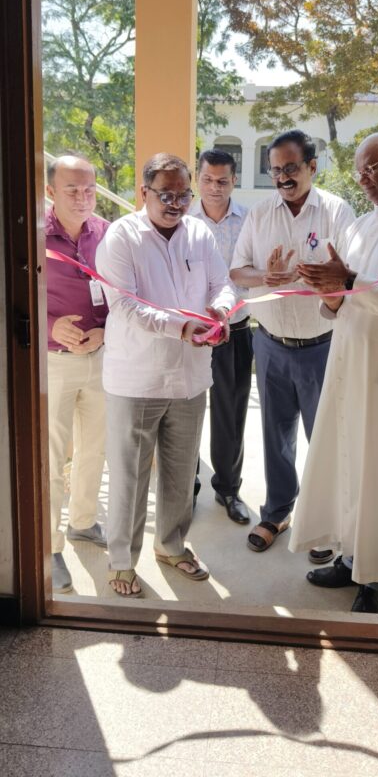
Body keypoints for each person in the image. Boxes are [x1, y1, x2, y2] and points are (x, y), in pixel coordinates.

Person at [289, 133, 378, 613]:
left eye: (371, 168)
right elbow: (345, 301)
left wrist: (348, 280)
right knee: (348, 464)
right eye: (358, 172)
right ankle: (350, 559)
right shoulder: (361, 226)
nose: (363, 179)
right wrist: (330, 295)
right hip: (348, 360)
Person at [96, 152, 235, 596]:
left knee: (180, 471)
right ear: (144, 193)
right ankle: (121, 560)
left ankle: (171, 545)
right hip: (137, 379)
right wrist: (182, 328)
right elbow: (125, 305)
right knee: (130, 476)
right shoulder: (121, 237)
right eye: (165, 195)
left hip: (190, 378)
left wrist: (221, 310)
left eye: (183, 195)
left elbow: (223, 283)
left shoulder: (199, 233)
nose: (176, 204)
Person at [230, 129, 354, 554]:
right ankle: (277, 512)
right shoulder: (260, 214)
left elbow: (352, 274)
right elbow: (238, 272)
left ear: (312, 167)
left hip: (323, 346)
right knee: (275, 436)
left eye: (291, 168)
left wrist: (332, 279)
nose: (282, 177)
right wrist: (266, 276)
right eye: (275, 170)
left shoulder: (337, 212)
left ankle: (325, 526)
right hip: (270, 345)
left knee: (326, 441)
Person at [46, 154, 109, 593]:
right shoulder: (32, 234)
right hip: (53, 361)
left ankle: (83, 522)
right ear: (51, 191)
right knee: (51, 457)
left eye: (89, 189)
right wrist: (50, 325)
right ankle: (48, 546)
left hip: (101, 357)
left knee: (95, 448)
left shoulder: (106, 232)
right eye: (72, 189)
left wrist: (105, 330)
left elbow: (123, 293)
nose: (83, 198)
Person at [189, 149, 253, 524]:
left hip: (236, 330)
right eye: (208, 180)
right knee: (187, 412)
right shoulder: (183, 220)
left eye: (223, 181)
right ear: (197, 179)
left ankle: (228, 488)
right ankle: (187, 487)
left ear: (234, 181)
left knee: (231, 413)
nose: (215, 187)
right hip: (192, 334)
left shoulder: (249, 220)